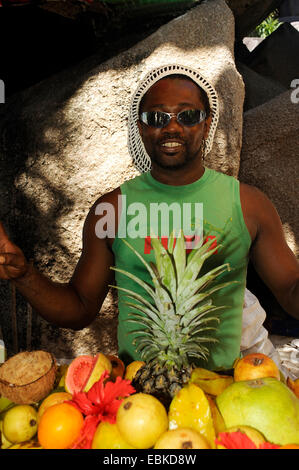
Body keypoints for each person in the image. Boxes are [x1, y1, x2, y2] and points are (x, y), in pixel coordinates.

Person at [0, 64, 298, 370]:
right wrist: (23, 274)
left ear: (207, 125)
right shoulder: (112, 209)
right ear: (142, 128)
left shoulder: (249, 205)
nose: (171, 127)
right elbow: (79, 308)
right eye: (157, 117)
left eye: (188, 116)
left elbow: (290, 291)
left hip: (222, 390)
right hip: (139, 399)